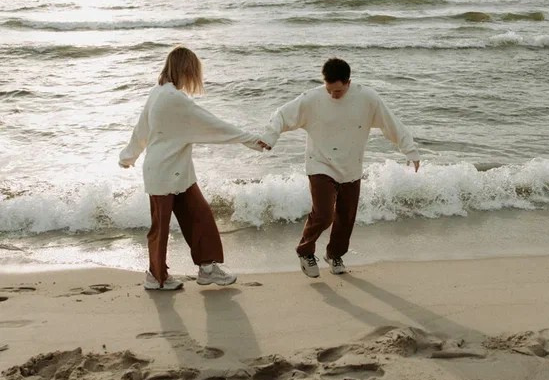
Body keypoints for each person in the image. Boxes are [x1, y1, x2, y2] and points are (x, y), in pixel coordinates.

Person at [119, 46, 269, 290]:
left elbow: (141, 130)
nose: (194, 79)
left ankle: (207, 268)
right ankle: (156, 277)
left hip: (177, 173)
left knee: (200, 216)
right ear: (185, 70)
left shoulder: (158, 92)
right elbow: (213, 125)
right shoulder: (173, 99)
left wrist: (128, 156)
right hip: (163, 173)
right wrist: (251, 139)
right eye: (193, 73)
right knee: (161, 227)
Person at [261, 57, 420, 277]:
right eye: (329, 90)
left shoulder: (367, 98)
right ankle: (305, 250)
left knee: (346, 218)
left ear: (348, 82)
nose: (333, 95)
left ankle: (335, 255)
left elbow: (390, 123)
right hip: (320, 163)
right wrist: (270, 137)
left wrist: (410, 150)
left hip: (351, 166)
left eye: (337, 91)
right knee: (324, 214)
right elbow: (282, 115)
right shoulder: (312, 99)